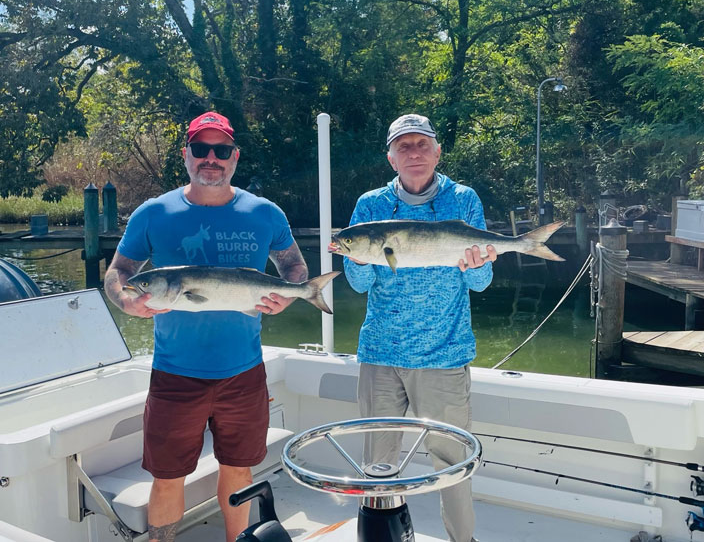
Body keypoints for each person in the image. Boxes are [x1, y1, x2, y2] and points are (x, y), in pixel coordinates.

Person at [104, 111, 308, 542]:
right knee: (166, 475)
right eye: (201, 149)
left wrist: (286, 298)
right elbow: (120, 270)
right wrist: (125, 299)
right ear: (186, 155)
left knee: (238, 468)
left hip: (243, 372)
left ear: (234, 157)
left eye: (221, 150)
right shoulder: (154, 212)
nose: (210, 159)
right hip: (175, 374)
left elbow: (292, 265)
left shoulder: (264, 212)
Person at [342, 114, 497, 542]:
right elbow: (357, 285)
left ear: (437, 151)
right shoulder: (370, 205)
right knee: (378, 465)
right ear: (391, 157)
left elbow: (480, 284)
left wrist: (478, 264)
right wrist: (357, 260)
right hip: (381, 354)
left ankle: (462, 540)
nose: (414, 153)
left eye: (422, 144)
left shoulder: (464, 199)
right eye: (404, 146)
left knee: (452, 465)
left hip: (445, 354)